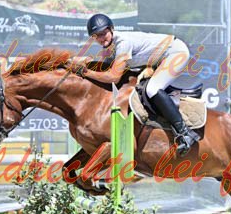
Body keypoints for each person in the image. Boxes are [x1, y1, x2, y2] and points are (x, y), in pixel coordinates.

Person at [80, 13, 200, 156]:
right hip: (162, 56)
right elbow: (103, 69)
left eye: (103, 33)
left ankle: (185, 133)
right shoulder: (110, 48)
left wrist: (85, 72)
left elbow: (113, 77)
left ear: (111, 29)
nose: (101, 38)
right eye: (96, 36)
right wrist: (78, 62)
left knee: (152, 89)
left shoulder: (123, 43)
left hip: (175, 52)